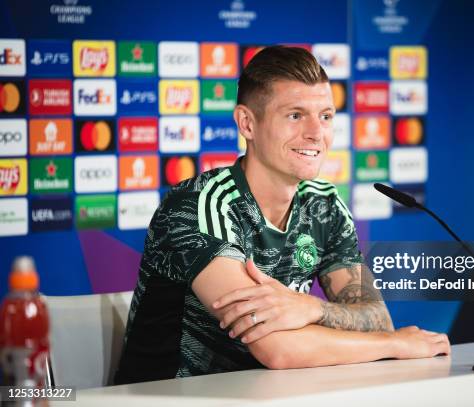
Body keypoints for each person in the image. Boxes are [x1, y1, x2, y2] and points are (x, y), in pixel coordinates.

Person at [114, 46, 450, 384]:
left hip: (267, 395)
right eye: (295, 115)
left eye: (326, 116)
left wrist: (313, 308)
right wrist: (393, 345)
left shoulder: (324, 205)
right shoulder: (200, 205)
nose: (316, 133)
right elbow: (277, 349)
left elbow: (377, 318)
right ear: (247, 123)